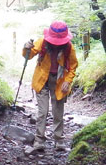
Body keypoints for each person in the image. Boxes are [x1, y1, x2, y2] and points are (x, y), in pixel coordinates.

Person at [22, 20, 79, 153]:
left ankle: (59, 140)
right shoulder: (42, 42)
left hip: (60, 81)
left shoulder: (69, 47)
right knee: (43, 112)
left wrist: (68, 81)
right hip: (42, 80)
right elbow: (28, 56)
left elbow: (73, 66)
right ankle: (39, 141)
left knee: (58, 112)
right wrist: (26, 48)